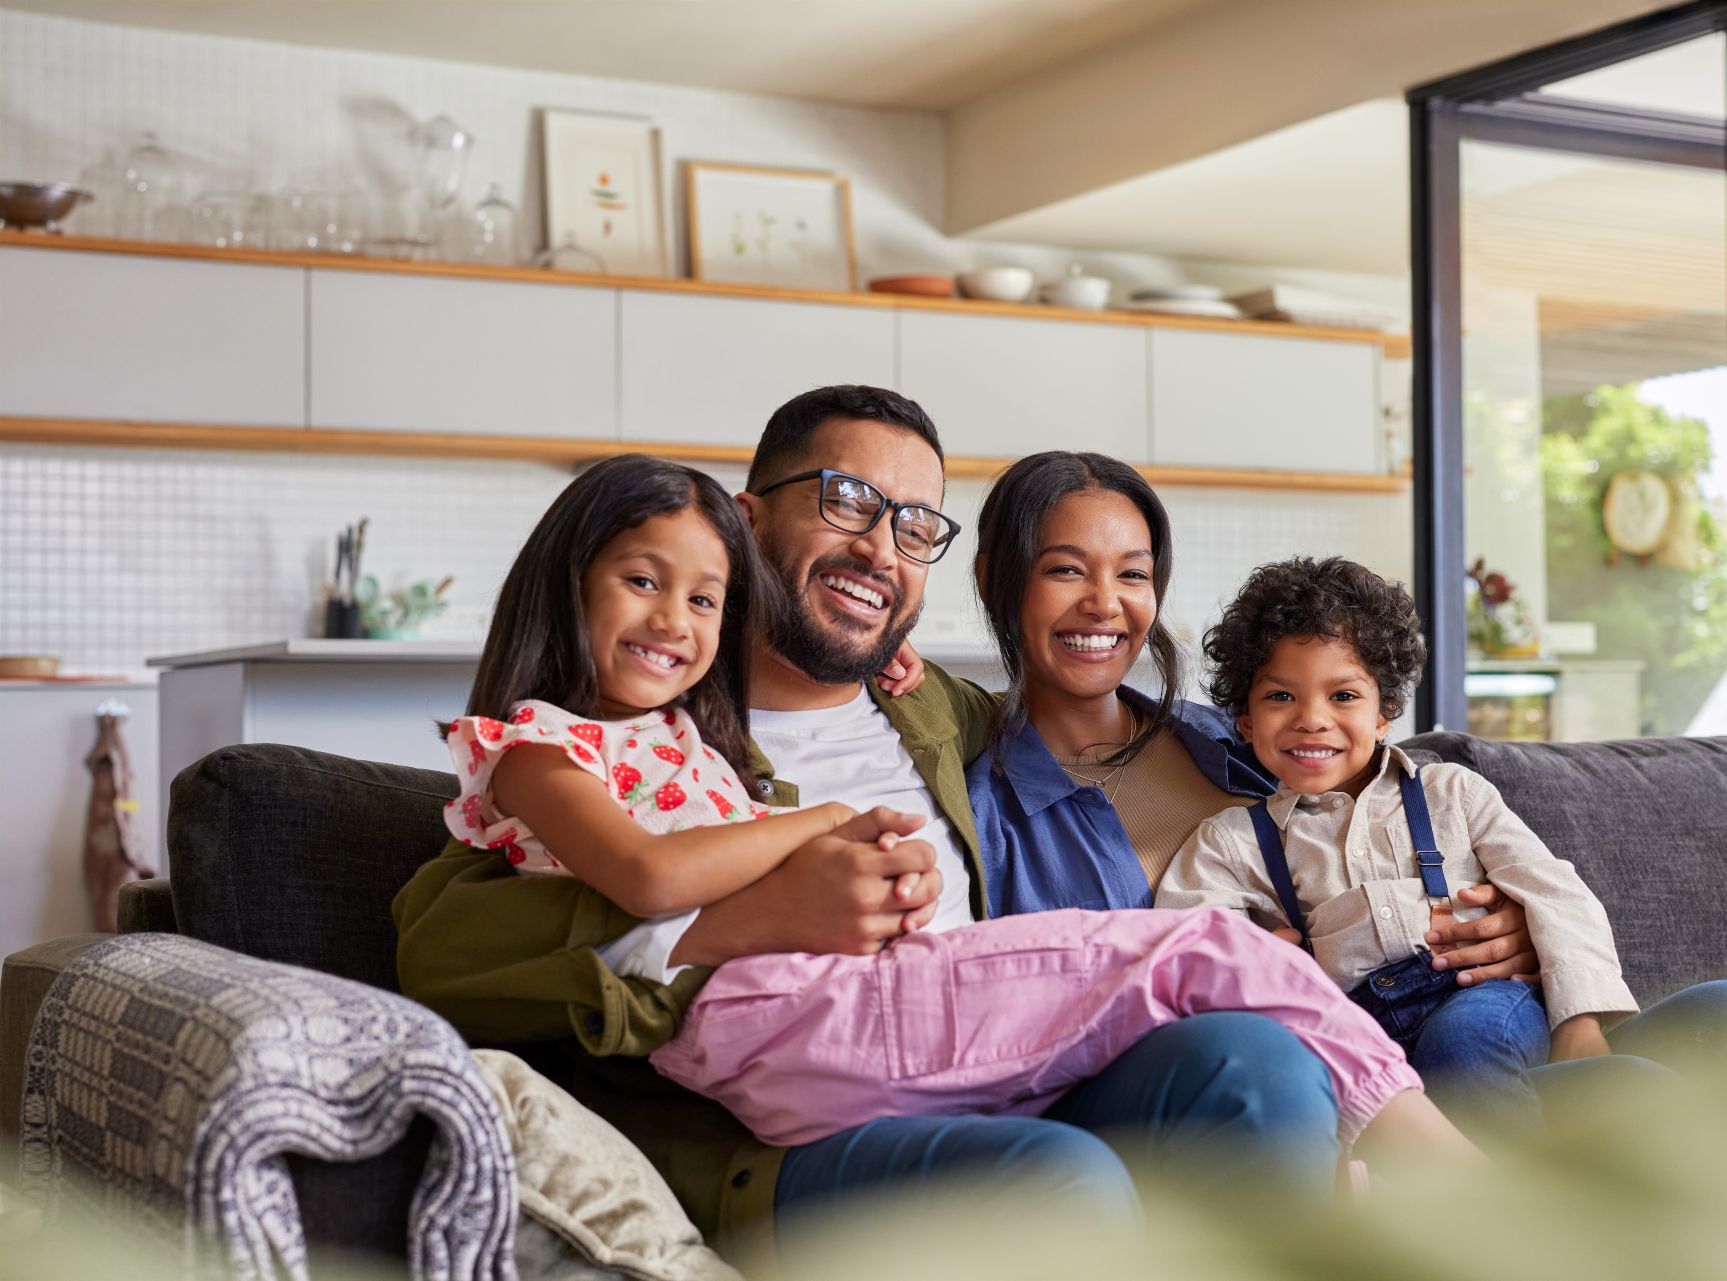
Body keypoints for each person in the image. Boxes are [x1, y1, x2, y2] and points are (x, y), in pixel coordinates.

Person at [395, 391, 1470, 1253]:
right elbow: (443, 945)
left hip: (984, 1064)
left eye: (913, 529)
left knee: (1254, 1061)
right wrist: (751, 917)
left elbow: (1239, 744)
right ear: (745, 516)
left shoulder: (938, 712)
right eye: (848, 502)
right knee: (1062, 1179)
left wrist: (1463, 900)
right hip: (798, 1123)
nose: (880, 550)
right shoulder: (639, 729)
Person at [965, 452, 1727, 1139]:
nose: (1104, 602)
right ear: (999, 580)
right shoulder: (999, 813)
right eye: (1065, 569)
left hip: (1505, 1011)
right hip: (1352, 1058)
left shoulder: (1225, 736)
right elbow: (1182, 946)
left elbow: (1542, 882)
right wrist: (1258, 959)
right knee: (1497, 1056)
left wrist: (1527, 939)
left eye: (1132, 573)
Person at [1155, 556, 1634, 1134]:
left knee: (1465, 1039)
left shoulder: (1452, 794)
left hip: (1480, 1004)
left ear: (1385, 712)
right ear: (1246, 720)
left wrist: (1577, 1023)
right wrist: (1264, 955)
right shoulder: (1232, 841)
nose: (1312, 720)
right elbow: (1185, 946)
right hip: (1361, 1040)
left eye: (1344, 696)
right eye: (1281, 697)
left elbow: (1555, 893)